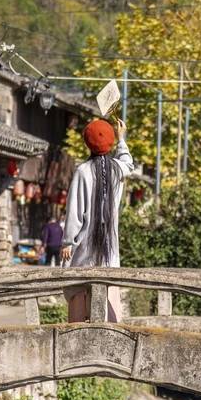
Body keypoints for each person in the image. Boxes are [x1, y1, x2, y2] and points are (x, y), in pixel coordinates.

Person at [61, 117, 134, 321]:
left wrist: (68, 242)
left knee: (78, 291)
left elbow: (75, 211)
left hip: (85, 251)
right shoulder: (117, 170)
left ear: (87, 142)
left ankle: (76, 339)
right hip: (109, 251)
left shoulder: (83, 171)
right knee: (109, 291)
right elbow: (129, 163)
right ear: (109, 143)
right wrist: (121, 139)